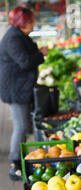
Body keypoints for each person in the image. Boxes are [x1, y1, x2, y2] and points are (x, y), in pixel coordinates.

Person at [0, 6, 48, 180]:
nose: (33, 24)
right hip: (16, 88)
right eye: (31, 21)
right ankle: (15, 165)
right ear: (23, 23)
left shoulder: (19, 35)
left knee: (23, 125)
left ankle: (23, 160)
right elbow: (26, 62)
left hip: (21, 86)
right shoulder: (13, 38)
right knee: (20, 126)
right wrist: (41, 54)